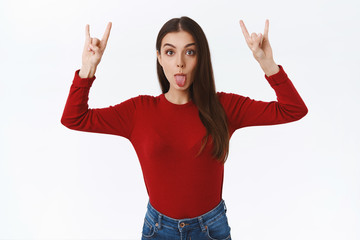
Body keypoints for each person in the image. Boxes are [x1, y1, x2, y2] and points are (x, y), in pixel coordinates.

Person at [61, 16, 307, 240]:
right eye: (170, 52)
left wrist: (267, 63)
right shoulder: (138, 111)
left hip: (211, 229)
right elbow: (74, 118)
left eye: (190, 52)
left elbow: (293, 109)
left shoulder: (223, 107)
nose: (179, 63)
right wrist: (88, 68)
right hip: (158, 230)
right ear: (159, 57)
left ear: (200, 58)